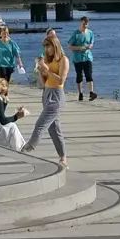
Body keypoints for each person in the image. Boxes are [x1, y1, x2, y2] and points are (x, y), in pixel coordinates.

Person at [23, 30, 70, 167]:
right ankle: (63, 157)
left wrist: (47, 69)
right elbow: (44, 83)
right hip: (47, 93)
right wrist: (41, 71)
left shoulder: (63, 60)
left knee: (41, 124)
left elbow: (61, 80)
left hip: (57, 96)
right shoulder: (48, 61)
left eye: (48, 46)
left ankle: (29, 147)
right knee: (54, 128)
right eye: (45, 47)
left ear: (54, 46)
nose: (46, 49)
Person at [67, 16, 97, 101]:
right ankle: (80, 93)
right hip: (78, 58)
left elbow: (91, 43)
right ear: (81, 23)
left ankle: (91, 92)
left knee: (89, 74)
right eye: (84, 24)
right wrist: (79, 48)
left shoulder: (90, 33)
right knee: (79, 75)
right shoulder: (76, 34)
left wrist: (89, 46)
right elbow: (69, 46)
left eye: (86, 24)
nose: (85, 26)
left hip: (87, 57)